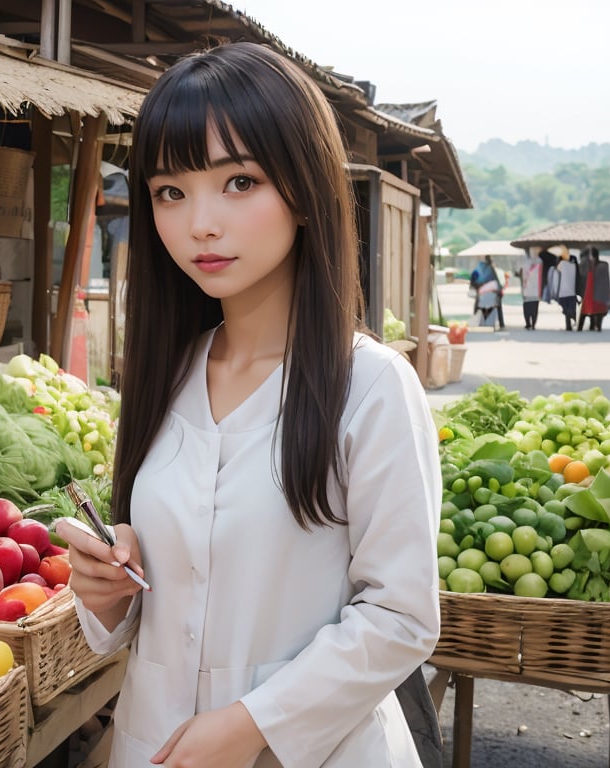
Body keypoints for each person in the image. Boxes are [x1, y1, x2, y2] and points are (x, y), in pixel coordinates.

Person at [54, 43, 441, 768]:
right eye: (170, 191)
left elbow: (400, 615)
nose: (200, 223)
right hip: (155, 743)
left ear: (304, 189)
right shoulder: (166, 376)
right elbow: (169, 602)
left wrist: (252, 724)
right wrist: (107, 591)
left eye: (238, 181)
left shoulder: (372, 387)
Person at [577, 247, 610, 332]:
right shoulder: (601, 265)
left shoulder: (593, 265)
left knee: (588, 311)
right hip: (595, 292)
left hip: (592, 292)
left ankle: (588, 327)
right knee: (593, 310)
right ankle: (594, 327)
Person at [548, 249, 580, 331]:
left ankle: (569, 325)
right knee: (571, 310)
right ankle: (572, 323)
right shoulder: (574, 265)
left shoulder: (562, 264)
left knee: (566, 311)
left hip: (563, 292)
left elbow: (555, 275)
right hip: (572, 292)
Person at [470, 255, 502, 328]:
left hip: (481, 292)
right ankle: (495, 323)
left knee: (480, 307)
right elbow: (496, 282)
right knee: (493, 307)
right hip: (491, 292)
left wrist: (478, 286)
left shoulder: (478, 269)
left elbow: (473, 280)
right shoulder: (491, 269)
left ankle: (481, 322)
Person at [517, 250, 545, 329]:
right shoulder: (540, 261)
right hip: (536, 290)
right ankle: (533, 324)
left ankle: (528, 323)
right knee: (535, 308)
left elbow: (520, 273)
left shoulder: (524, 262)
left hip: (527, 290)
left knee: (527, 307)